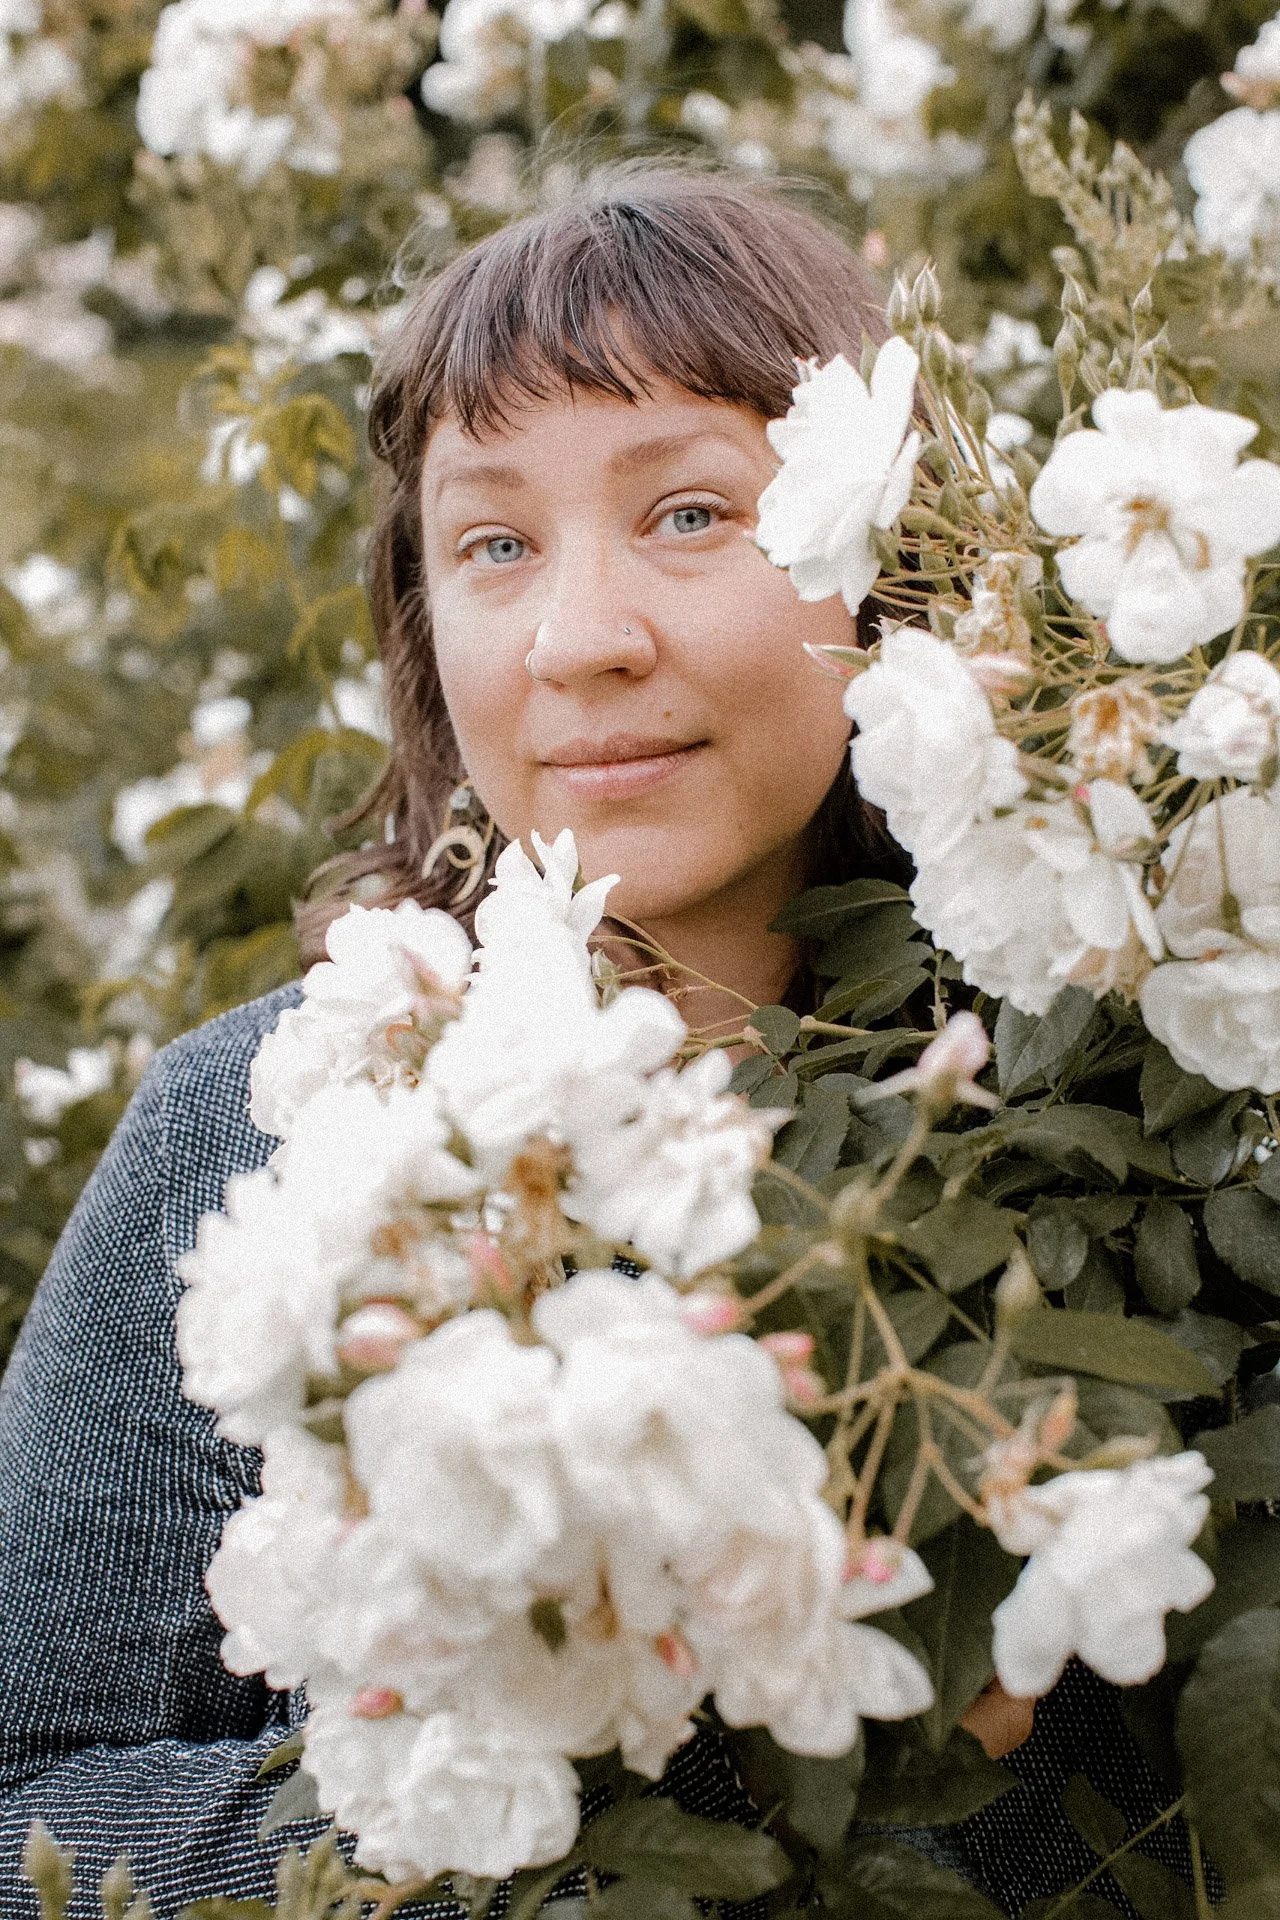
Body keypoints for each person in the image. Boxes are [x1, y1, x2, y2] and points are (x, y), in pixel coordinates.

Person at [0, 160, 1194, 1920]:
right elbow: (24, 1803)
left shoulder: (1134, 1097)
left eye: (690, 513)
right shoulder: (239, 1136)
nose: (579, 640)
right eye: (495, 545)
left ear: (888, 555)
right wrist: (533, 1787)